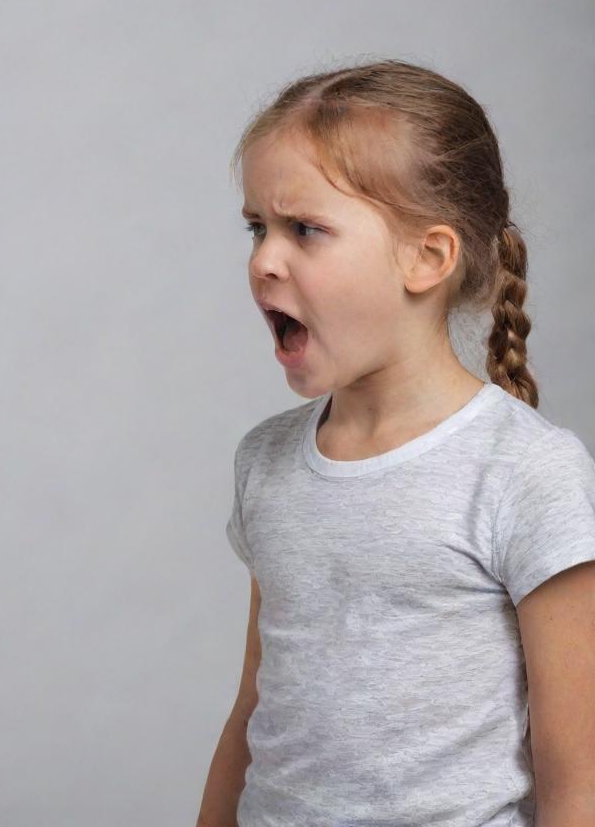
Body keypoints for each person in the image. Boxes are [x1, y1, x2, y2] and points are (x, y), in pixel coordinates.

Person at [196, 60, 595, 827]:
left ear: (428, 258)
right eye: (257, 227)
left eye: (305, 229)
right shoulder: (267, 463)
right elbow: (254, 712)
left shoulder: (527, 474)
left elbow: (578, 782)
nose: (263, 260)